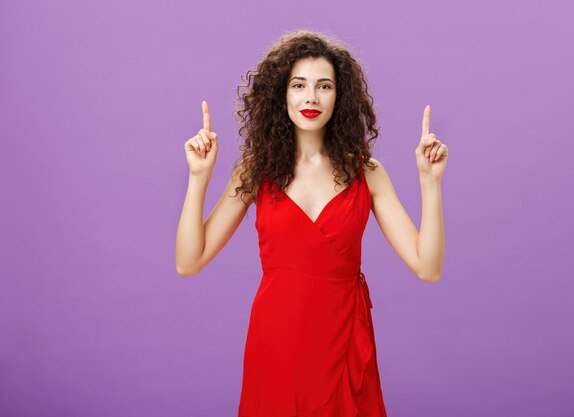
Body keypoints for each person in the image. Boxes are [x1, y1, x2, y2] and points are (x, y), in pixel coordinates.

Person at [176, 29, 447, 417]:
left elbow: (428, 267)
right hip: (276, 342)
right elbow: (189, 261)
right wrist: (198, 178)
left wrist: (430, 183)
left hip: (343, 343)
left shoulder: (368, 173)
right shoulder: (255, 171)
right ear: (281, 94)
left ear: (340, 96)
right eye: (298, 85)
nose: (311, 97)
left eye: (324, 86)